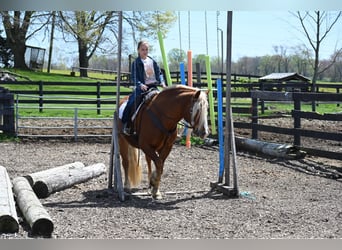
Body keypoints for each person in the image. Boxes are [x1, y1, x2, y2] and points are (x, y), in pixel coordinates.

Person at [121, 40, 166, 135]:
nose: (145, 51)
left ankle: (165, 127)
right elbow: (134, 77)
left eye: (146, 49)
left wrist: (162, 82)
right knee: (130, 103)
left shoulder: (153, 61)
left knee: (164, 103)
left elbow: (160, 73)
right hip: (141, 88)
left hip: (153, 87)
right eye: (143, 49)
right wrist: (140, 84)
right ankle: (126, 124)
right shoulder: (136, 63)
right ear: (138, 50)